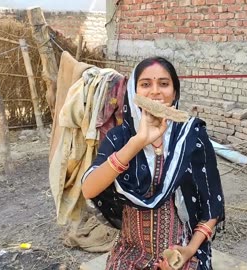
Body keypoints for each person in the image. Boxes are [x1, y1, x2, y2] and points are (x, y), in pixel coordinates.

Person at [81, 56, 225, 270]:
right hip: (130, 252)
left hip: (179, 251)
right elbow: (89, 189)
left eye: (164, 84)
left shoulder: (191, 135)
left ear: (175, 93)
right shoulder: (119, 137)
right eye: (146, 84)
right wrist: (139, 141)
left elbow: (212, 203)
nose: (155, 91)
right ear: (133, 92)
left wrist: (189, 250)